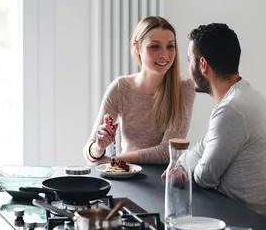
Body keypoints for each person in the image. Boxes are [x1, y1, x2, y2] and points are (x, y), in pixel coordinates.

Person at [168, 23, 266, 218]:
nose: (188, 68)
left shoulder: (232, 110)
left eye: (190, 60)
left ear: (203, 65)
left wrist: (183, 169)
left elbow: (204, 177)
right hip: (251, 217)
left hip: (252, 224)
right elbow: (202, 147)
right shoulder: (243, 95)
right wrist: (179, 165)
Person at [84, 16, 196, 164]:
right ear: (137, 47)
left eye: (170, 46)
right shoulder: (120, 88)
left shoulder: (184, 87)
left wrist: (111, 160)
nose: (164, 55)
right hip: (126, 174)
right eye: (155, 46)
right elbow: (90, 154)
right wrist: (99, 146)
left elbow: (168, 152)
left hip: (162, 179)